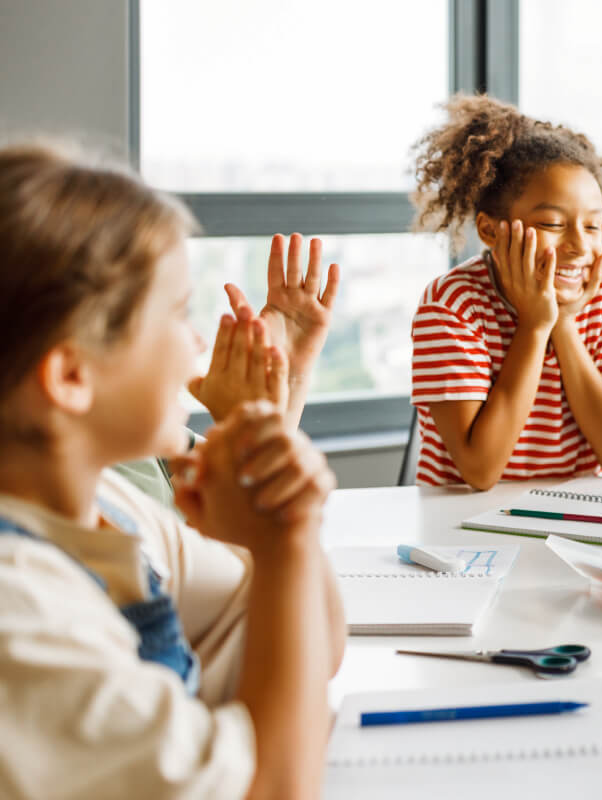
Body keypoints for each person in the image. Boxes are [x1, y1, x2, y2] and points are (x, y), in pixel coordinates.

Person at [0, 142, 345, 799]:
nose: (196, 345)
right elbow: (271, 789)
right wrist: (284, 540)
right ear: (72, 376)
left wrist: (270, 480)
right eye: (177, 315)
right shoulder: (20, 616)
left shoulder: (107, 506)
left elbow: (312, 649)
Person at [408, 93, 602, 489]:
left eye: (592, 226)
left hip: (574, 519)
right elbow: (480, 471)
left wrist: (565, 323)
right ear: (490, 230)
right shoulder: (453, 306)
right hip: (465, 529)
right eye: (553, 225)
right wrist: (536, 325)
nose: (578, 246)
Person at [110, 232, 340, 507]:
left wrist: (287, 376)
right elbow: (251, 526)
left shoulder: (148, 439)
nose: (199, 343)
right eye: (178, 315)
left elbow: (248, 492)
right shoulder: (110, 493)